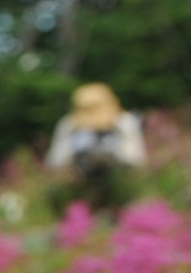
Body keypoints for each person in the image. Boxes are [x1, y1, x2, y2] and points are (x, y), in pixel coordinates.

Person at [45, 83, 146, 219]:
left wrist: (110, 154)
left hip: (117, 186)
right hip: (79, 185)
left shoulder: (123, 122)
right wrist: (77, 151)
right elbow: (55, 162)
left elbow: (136, 160)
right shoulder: (69, 125)